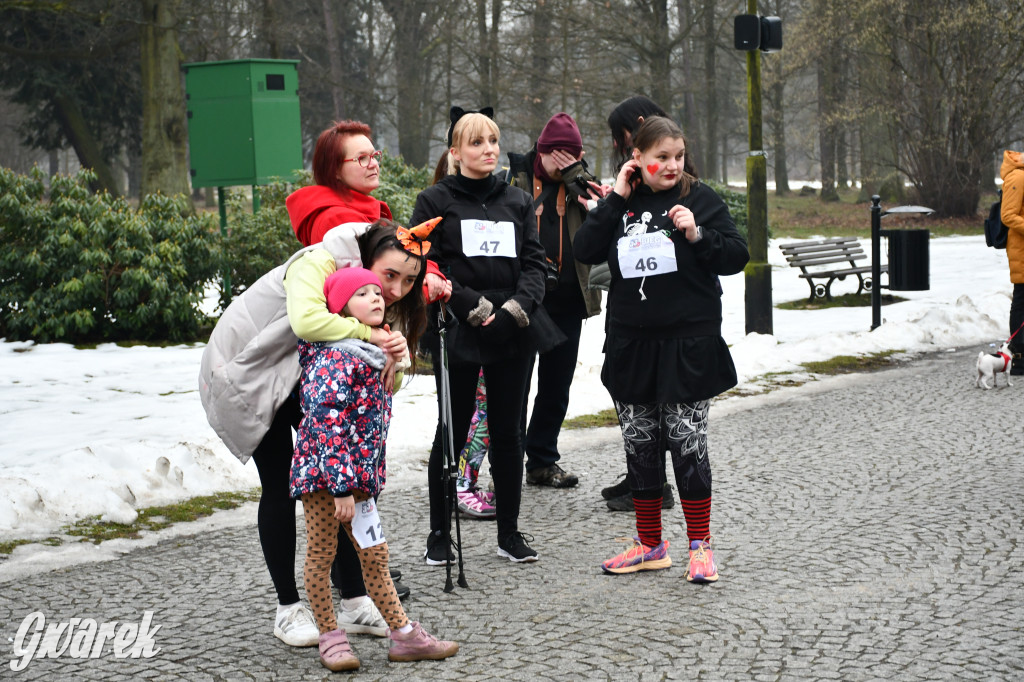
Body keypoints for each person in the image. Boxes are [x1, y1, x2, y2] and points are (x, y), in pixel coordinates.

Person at [573, 115, 749, 581]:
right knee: (641, 445)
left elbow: (736, 255)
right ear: (638, 159)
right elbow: (585, 248)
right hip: (633, 343)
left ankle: (700, 545)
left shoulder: (700, 198)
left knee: (686, 442)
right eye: (661, 158)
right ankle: (650, 544)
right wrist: (615, 199)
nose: (672, 166)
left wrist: (698, 234)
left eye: (679, 156)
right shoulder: (621, 203)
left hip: (687, 341)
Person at [411, 109, 563, 565]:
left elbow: (535, 263)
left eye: (494, 141)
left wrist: (516, 309)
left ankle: (509, 533)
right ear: (455, 152)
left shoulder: (516, 200)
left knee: (508, 434)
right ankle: (440, 533)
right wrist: (476, 309)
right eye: (477, 143)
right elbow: (428, 262)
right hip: (459, 324)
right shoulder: (434, 200)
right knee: (452, 432)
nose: (489, 150)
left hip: (514, 327)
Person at [289, 262, 458, 671]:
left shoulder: (369, 354)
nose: (376, 298)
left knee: (376, 555)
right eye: (362, 294)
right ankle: (331, 637)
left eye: (377, 293)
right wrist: (342, 488)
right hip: (326, 482)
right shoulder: (332, 359)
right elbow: (325, 425)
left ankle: (402, 635)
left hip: (358, 483)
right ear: (341, 308)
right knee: (322, 553)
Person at [505, 112, 602, 488]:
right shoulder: (514, 180)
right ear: (539, 151)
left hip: (567, 299)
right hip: (523, 301)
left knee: (556, 385)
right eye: (555, 154)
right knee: (516, 386)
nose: (562, 162)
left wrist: (577, 175)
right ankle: (508, 462)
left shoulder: (583, 185)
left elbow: (605, 209)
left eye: (571, 155)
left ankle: (543, 460)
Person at [599, 95, 680, 512]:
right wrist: (609, 202)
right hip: (629, 315)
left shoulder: (678, 186)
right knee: (634, 402)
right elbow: (591, 245)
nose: (621, 145)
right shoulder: (628, 184)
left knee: (658, 407)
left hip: (664, 320)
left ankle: (652, 484)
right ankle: (641, 476)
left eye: (623, 135)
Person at [1000, 149, 1024, 375]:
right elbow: (1007, 215)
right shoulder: (1018, 176)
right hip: (1021, 251)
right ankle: (1018, 356)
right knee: (1021, 301)